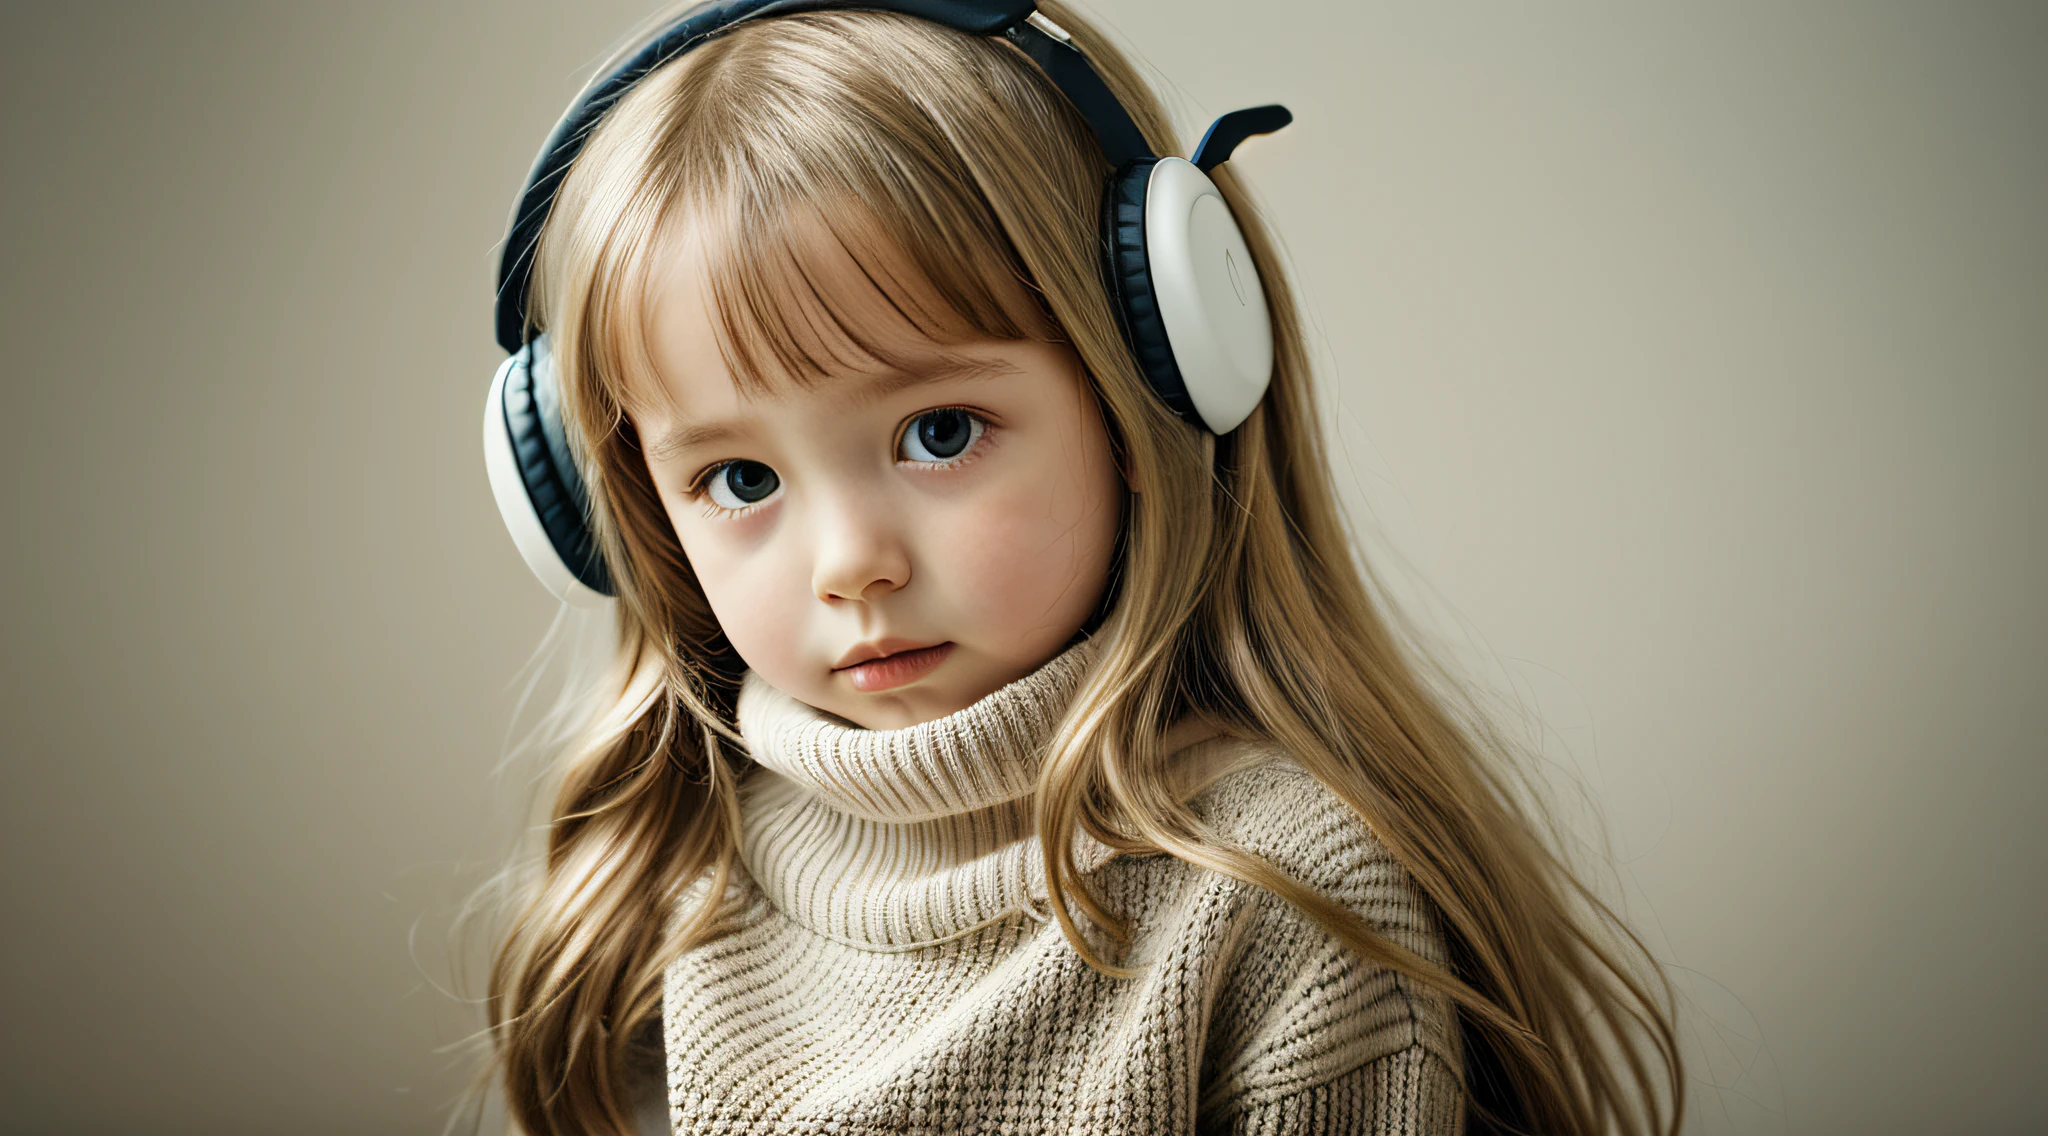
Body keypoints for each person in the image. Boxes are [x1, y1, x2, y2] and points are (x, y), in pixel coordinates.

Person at [476, 2, 1684, 1133]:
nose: (850, 563)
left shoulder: (1284, 905)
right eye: (739, 480)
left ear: (1149, 390)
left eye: (937, 432)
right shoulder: (653, 885)